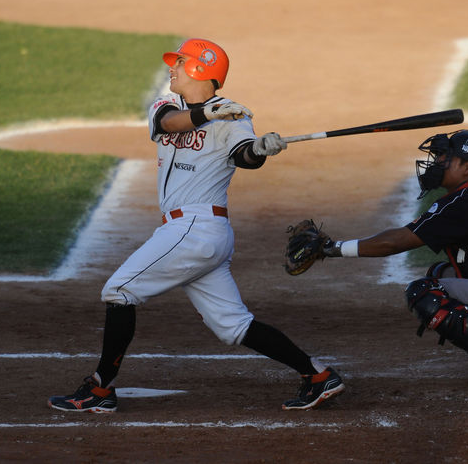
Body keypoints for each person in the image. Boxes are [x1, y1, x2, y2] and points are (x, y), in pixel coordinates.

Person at [48, 38, 344, 413]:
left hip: (195, 229)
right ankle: (317, 375)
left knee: (119, 291)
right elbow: (168, 124)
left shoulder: (234, 115)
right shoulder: (167, 106)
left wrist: (262, 149)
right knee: (233, 326)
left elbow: (245, 156)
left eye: (180, 61)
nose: (171, 68)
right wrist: (210, 116)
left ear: (202, 69)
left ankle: (100, 390)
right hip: (195, 236)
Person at [315, 129, 468, 390]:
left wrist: (331, 248)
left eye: (445, 157)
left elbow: (396, 241)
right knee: (443, 272)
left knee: (424, 292)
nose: (436, 163)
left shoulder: (465, 201)